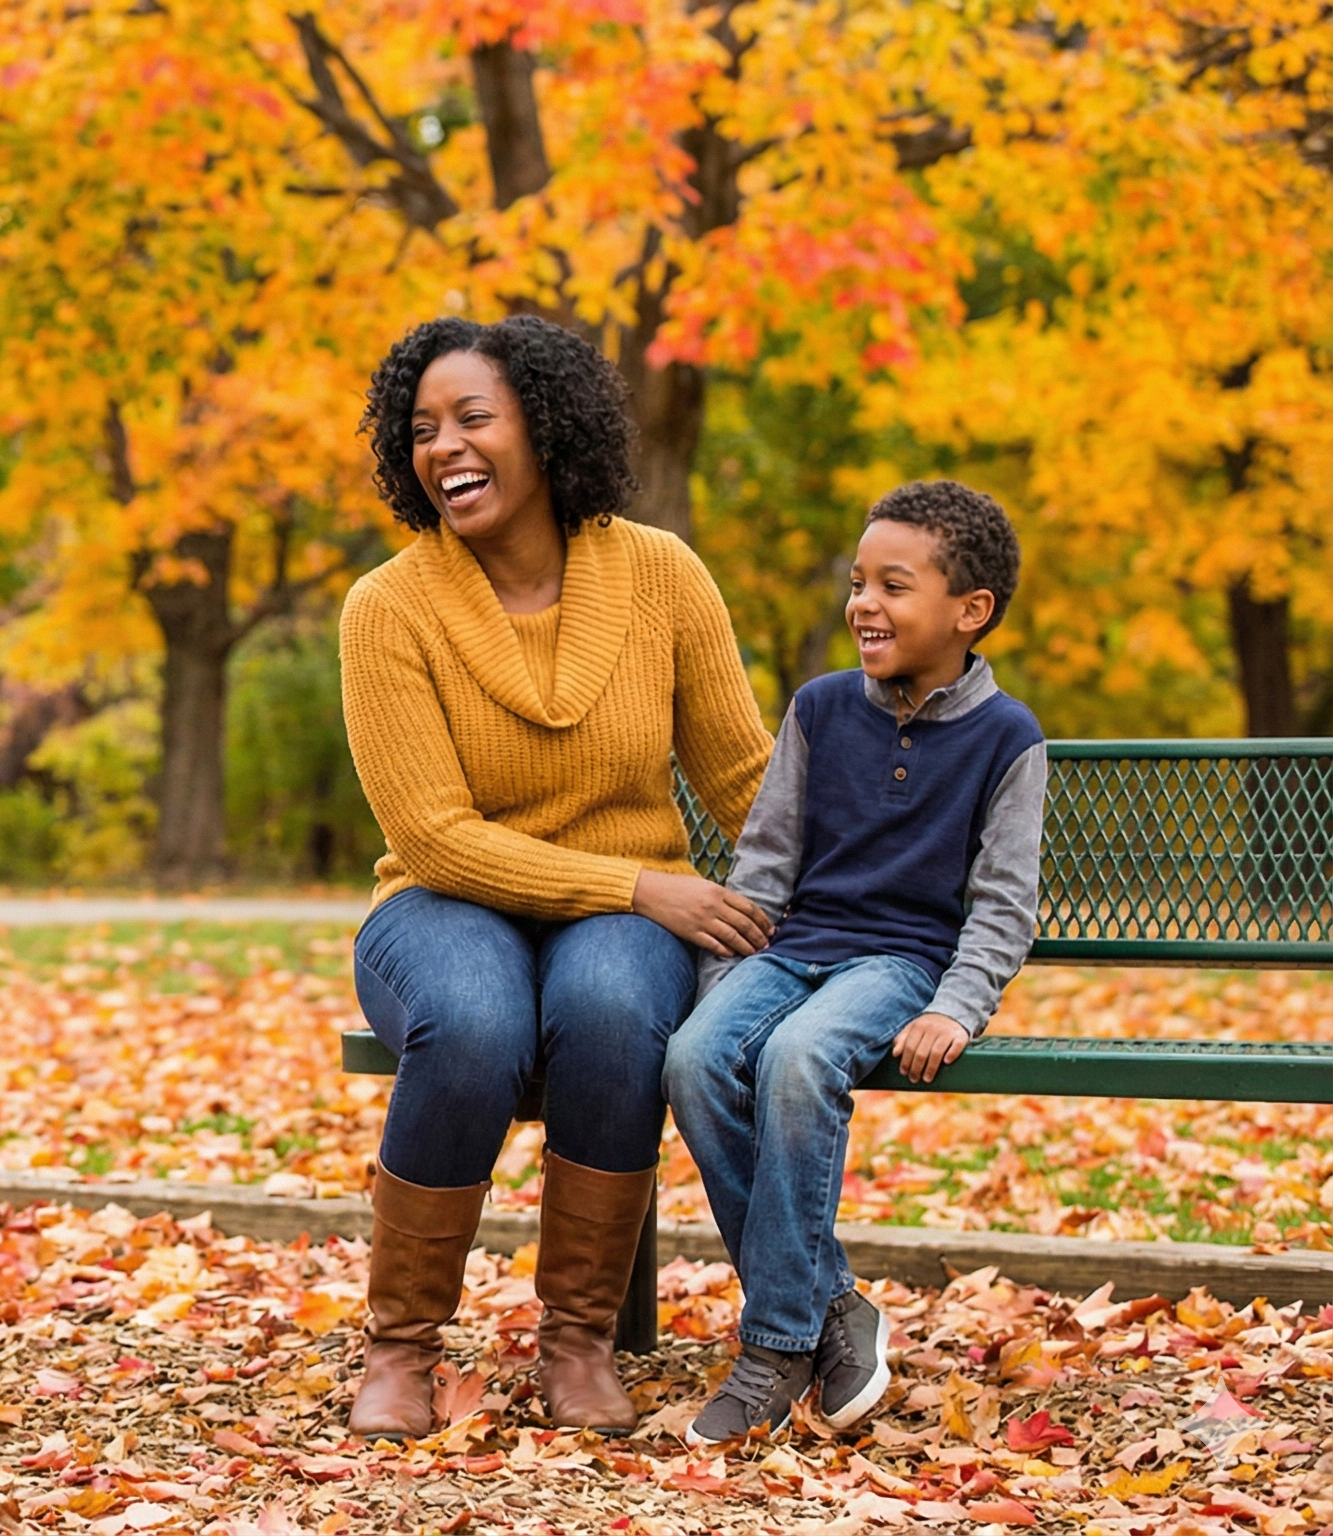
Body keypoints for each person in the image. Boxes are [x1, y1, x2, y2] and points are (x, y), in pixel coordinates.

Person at [337, 315, 775, 1438]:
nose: (444, 448)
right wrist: (641, 888)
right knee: (475, 1023)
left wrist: (873, 900)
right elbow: (432, 835)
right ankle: (400, 1345)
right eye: (421, 429)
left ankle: (576, 1338)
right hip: (441, 905)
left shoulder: (659, 574)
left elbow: (743, 778)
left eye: (472, 418)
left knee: (611, 1006)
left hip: (619, 923)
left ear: (543, 427)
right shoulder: (386, 608)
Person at [667, 482, 1043, 1443]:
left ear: (969, 612)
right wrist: (723, 986)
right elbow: (765, 863)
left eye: (894, 585)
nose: (863, 603)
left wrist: (958, 1007)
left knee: (800, 1061)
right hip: (796, 949)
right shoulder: (821, 708)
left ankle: (776, 1342)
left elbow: (1002, 906)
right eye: (857, 581)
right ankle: (836, 1305)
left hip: (900, 963)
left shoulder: (1008, 738)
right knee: (694, 1057)